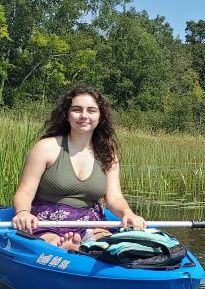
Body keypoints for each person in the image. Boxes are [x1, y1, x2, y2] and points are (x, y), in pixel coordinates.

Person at [11, 85, 146, 251]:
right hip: (48, 220)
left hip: (90, 222)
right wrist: (22, 212)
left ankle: (88, 246)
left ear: (100, 116)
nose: (84, 115)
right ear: (67, 115)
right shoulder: (46, 148)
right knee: (52, 241)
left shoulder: (108, 156)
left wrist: (128, 213)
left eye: (91, 110)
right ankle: (63, 246)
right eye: (77, 109)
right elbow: (24, 192)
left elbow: (115, 198)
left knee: (105, 245)